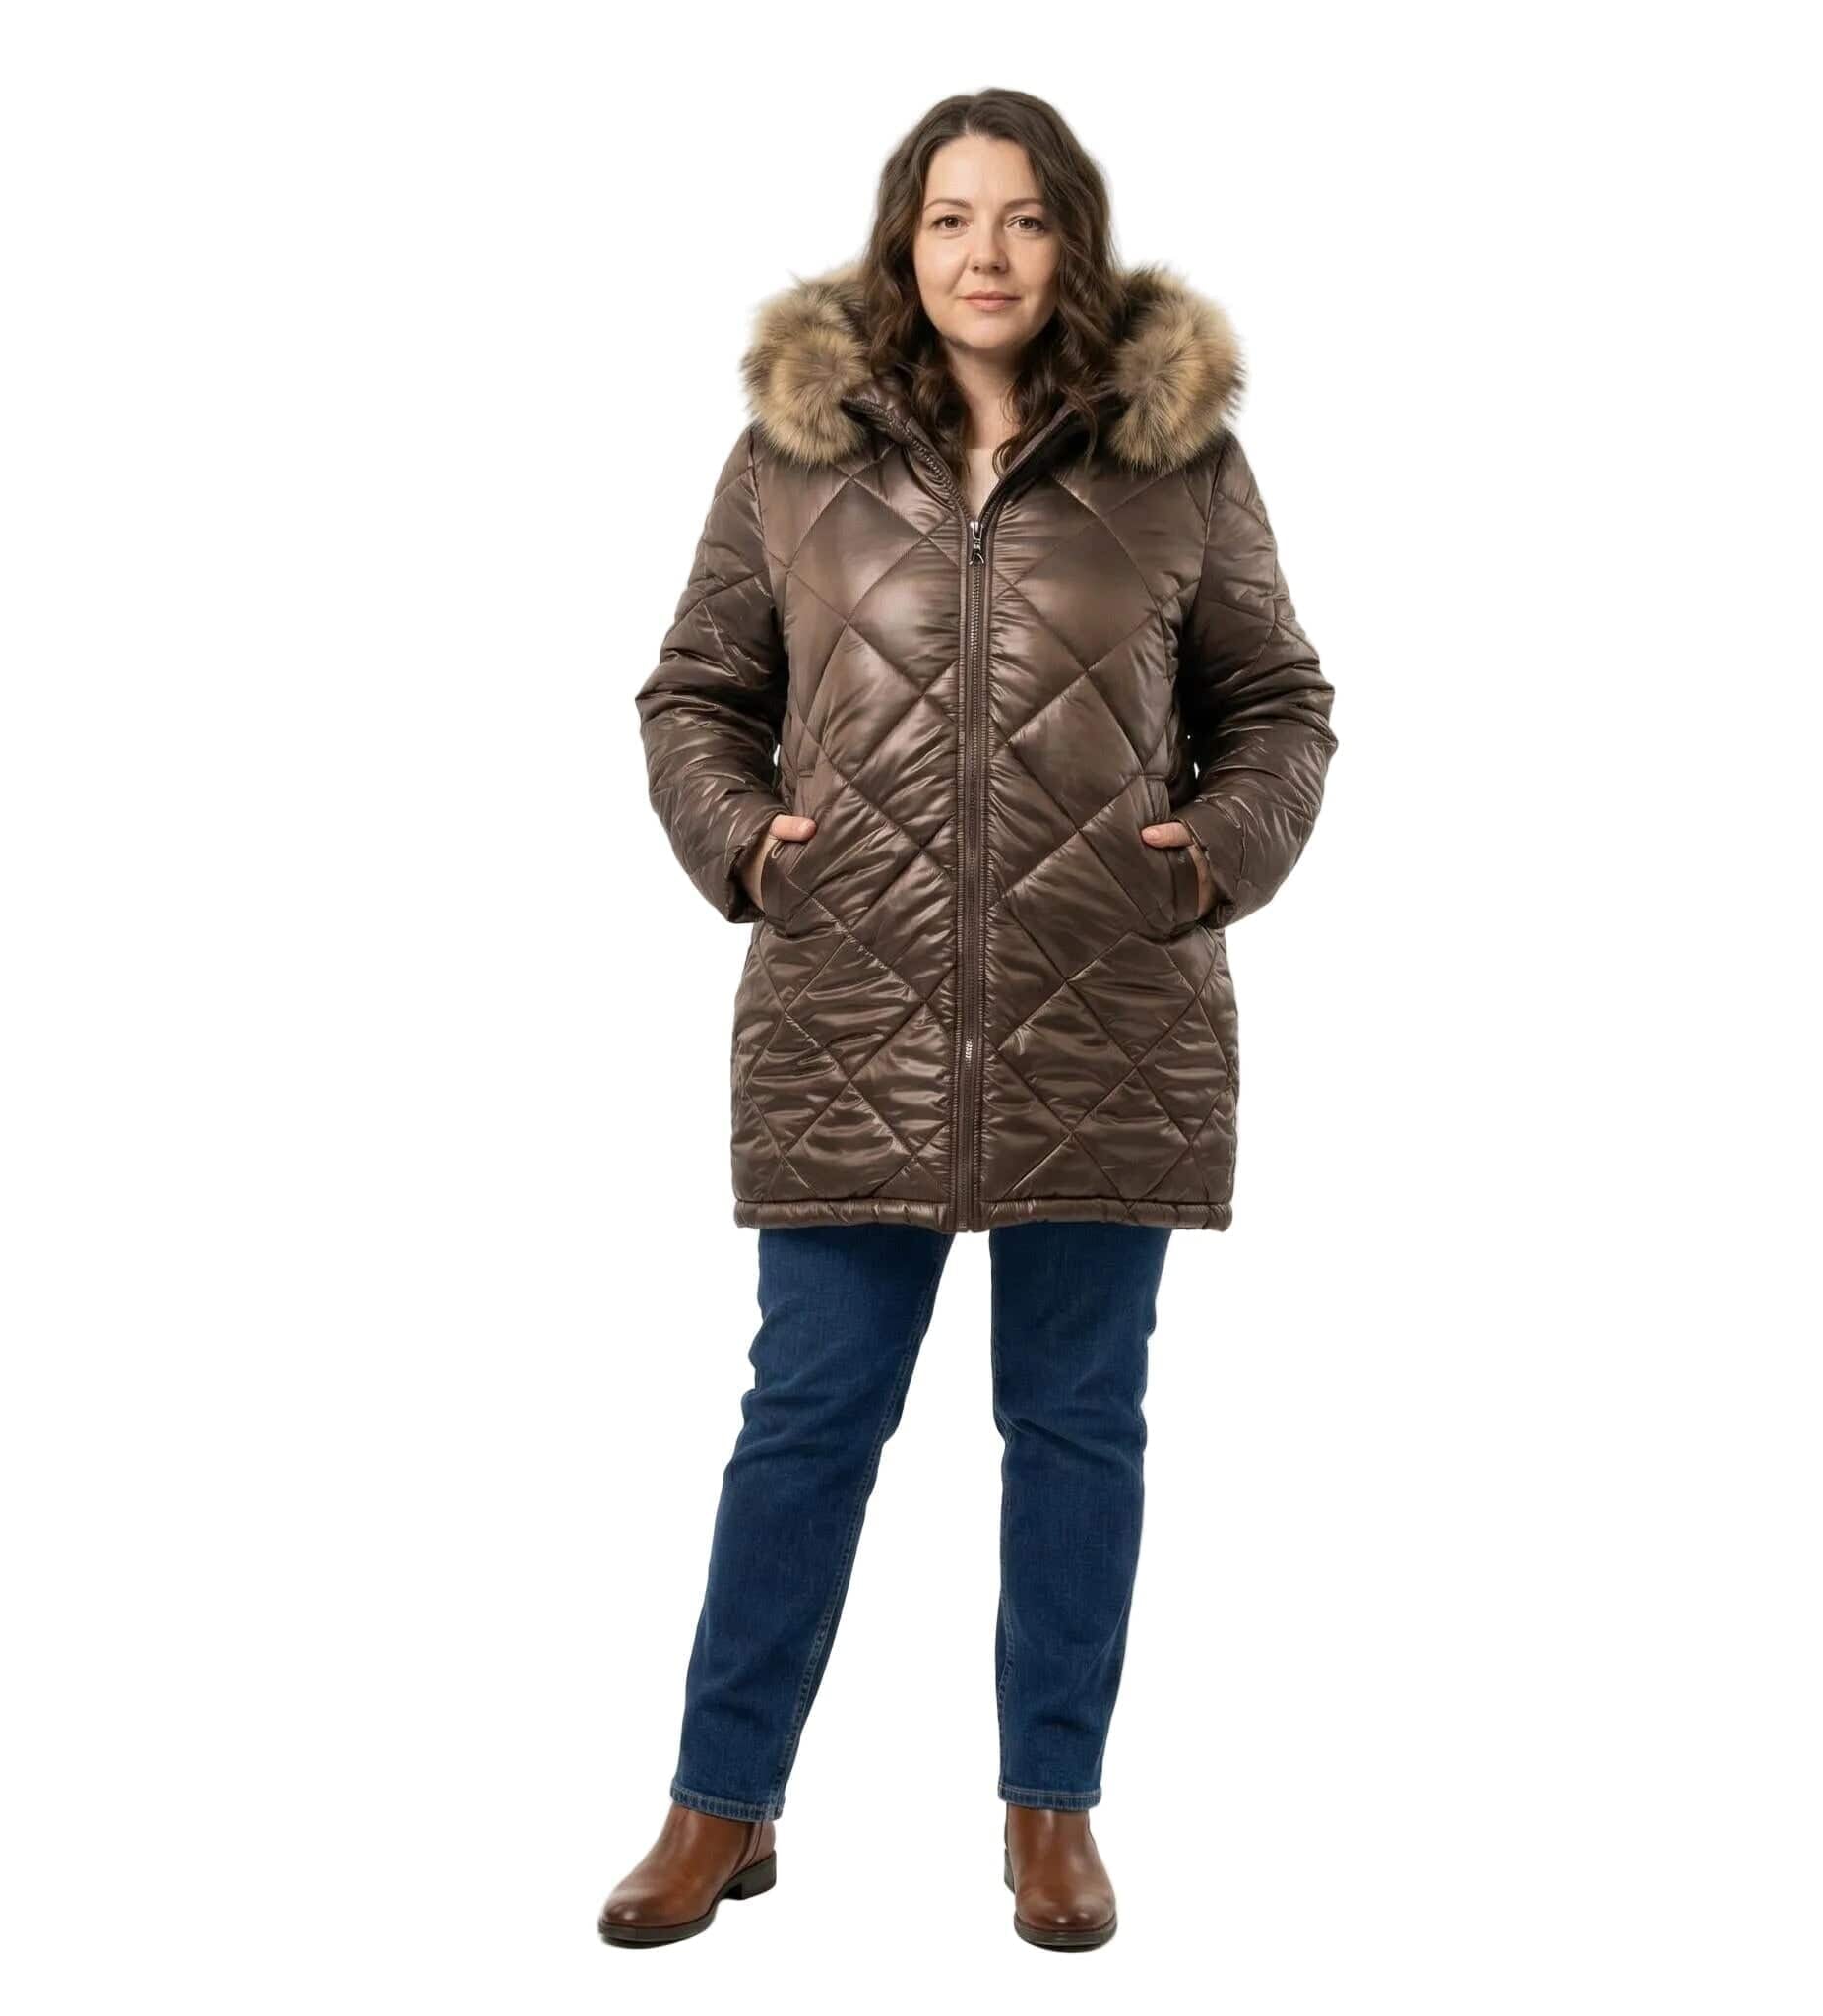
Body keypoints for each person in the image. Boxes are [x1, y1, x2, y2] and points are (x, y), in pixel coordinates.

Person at [602, 87, 1336, 1952]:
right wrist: (742, 842)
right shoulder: (792, 458)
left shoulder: (1178, 463)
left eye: (1021, 218)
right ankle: (719, 1803)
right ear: (902, 241)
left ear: (1071, 237)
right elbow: (694, 693)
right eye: (949, 219)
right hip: (852, 1002)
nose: (984, 254)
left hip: (1110, 1004)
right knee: (808, 1415)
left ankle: (1050, 1810)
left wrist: (1211, 856)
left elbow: (1279, 704)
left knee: (1076, 1422)